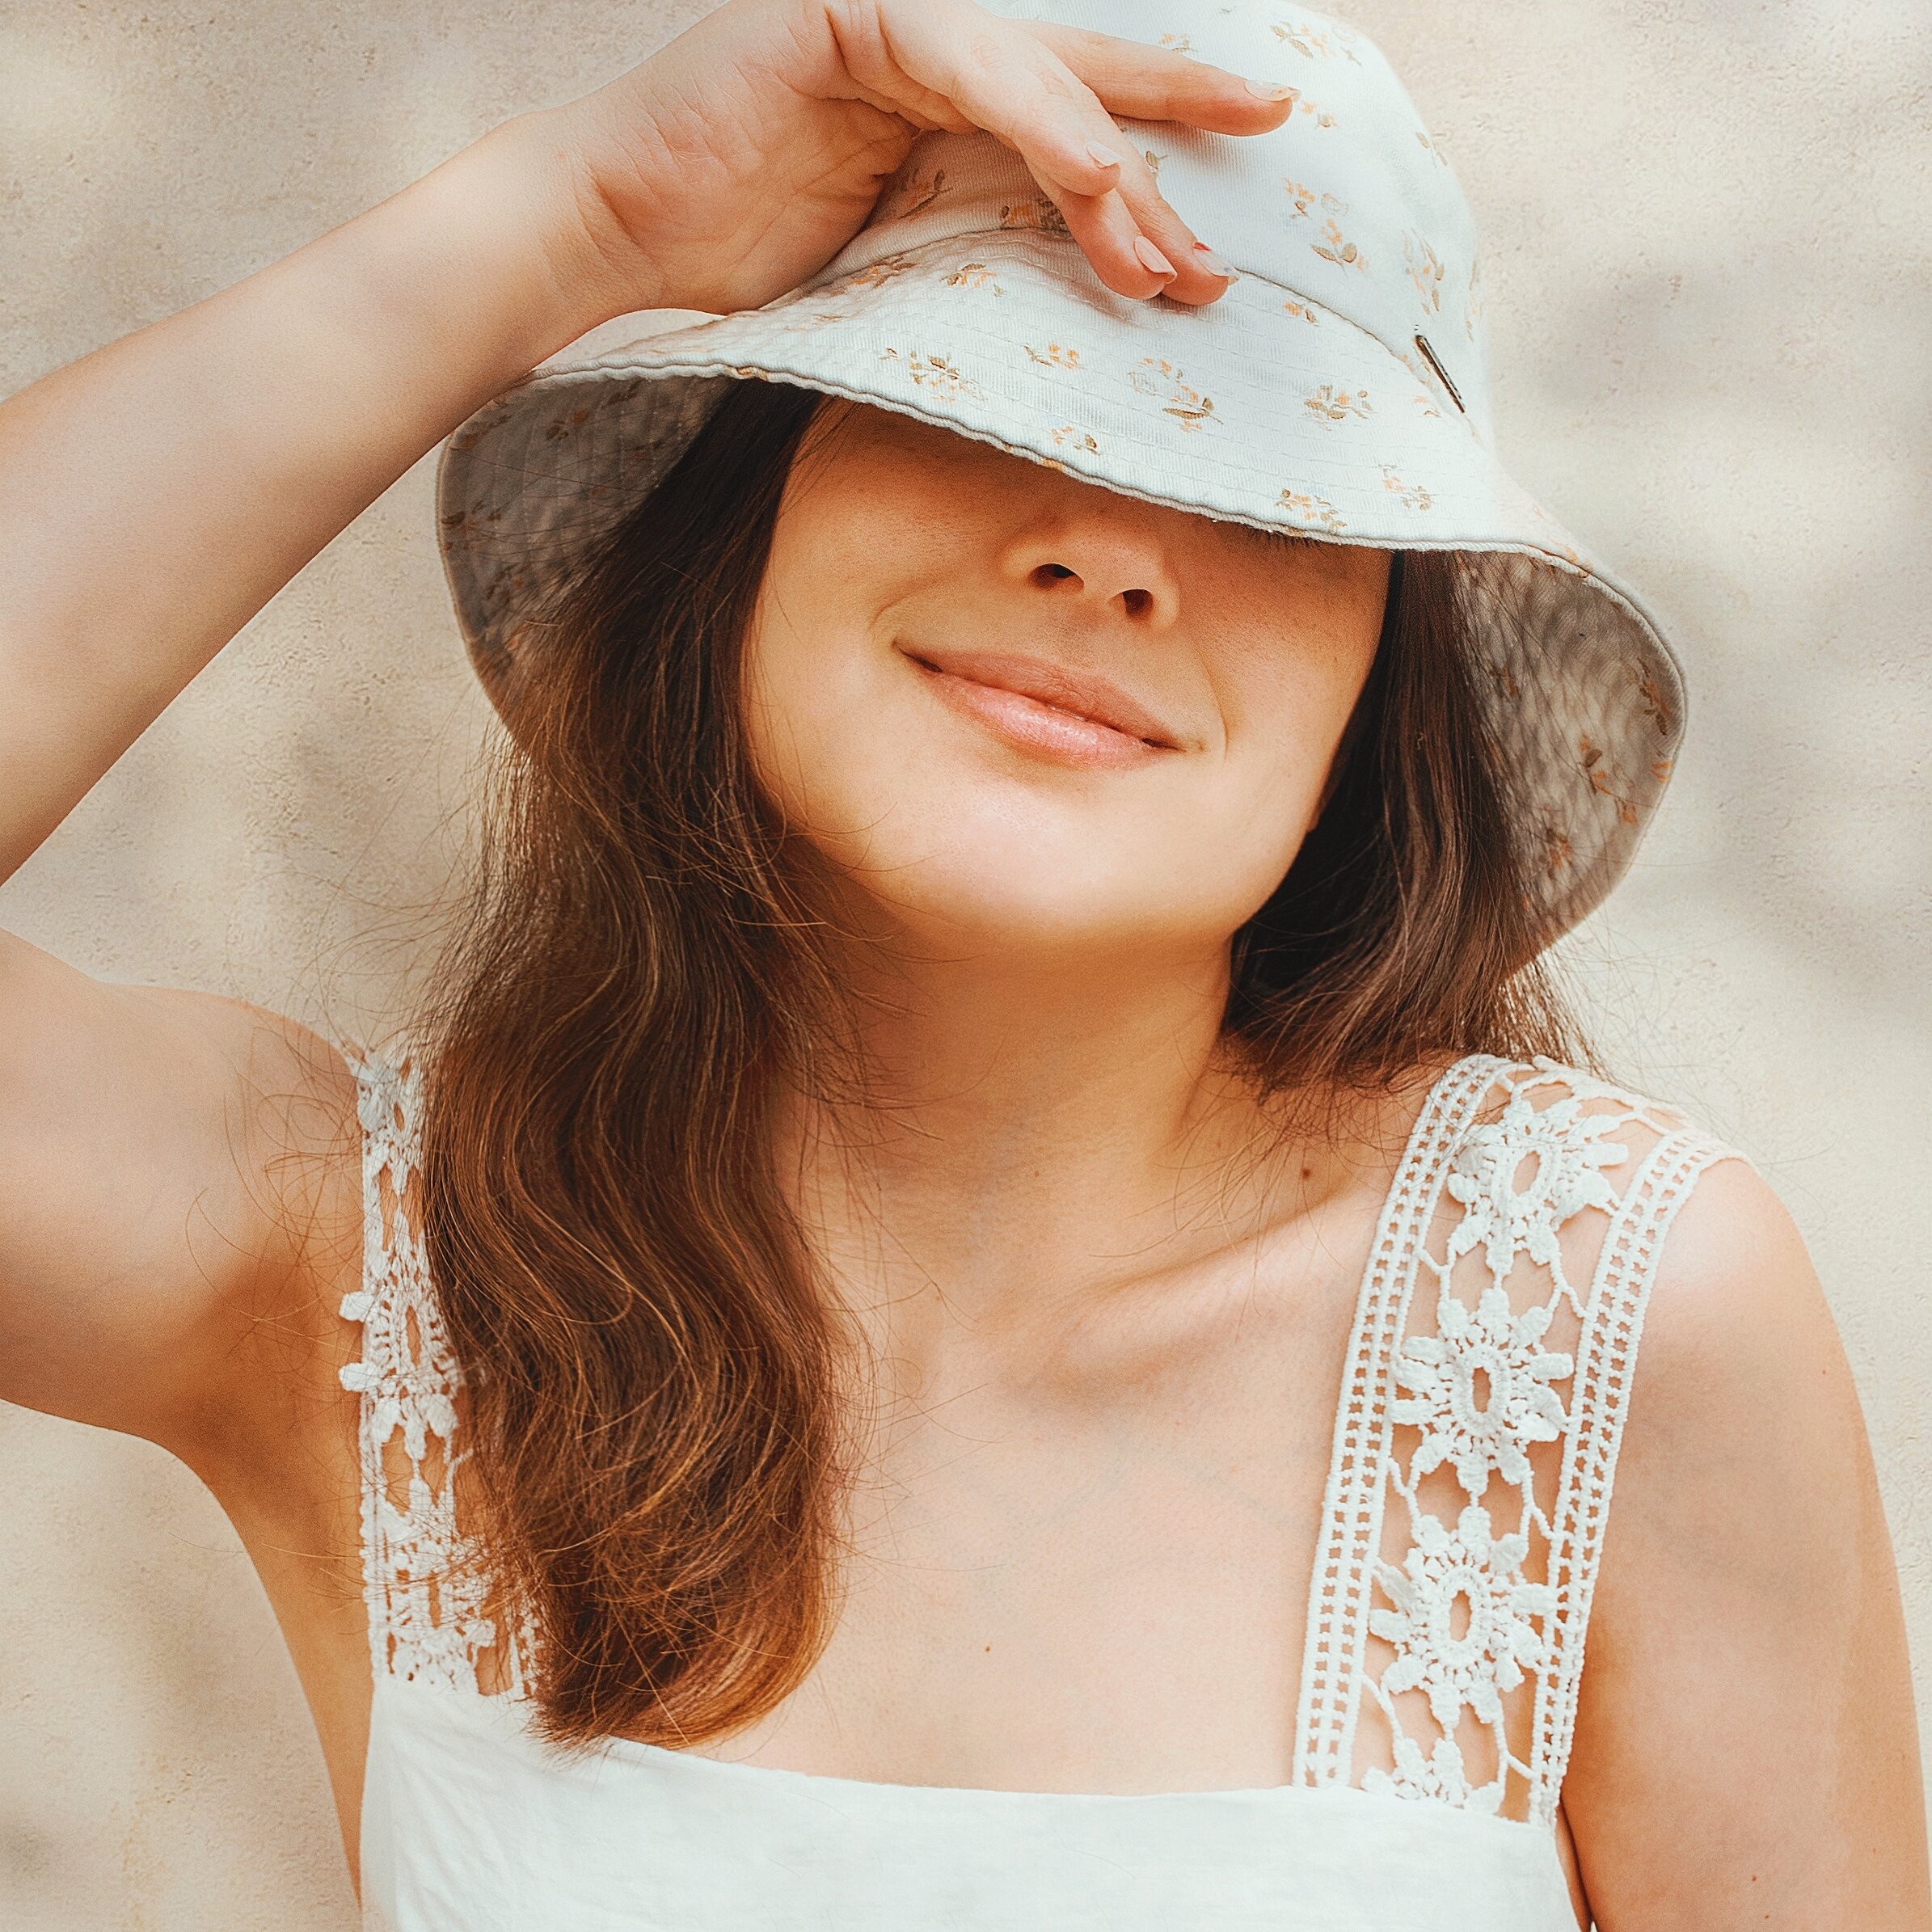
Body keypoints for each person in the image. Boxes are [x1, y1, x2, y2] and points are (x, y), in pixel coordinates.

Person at [0, 0, 1924, 1926]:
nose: (1103, 550)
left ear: (1376, 690)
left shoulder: (1604, 1318)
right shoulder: (351, 1256)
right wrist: (586, 217)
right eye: (976, 398)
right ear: (753, 508)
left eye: (1273, 478)